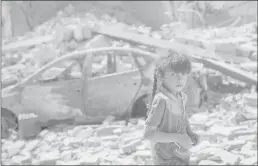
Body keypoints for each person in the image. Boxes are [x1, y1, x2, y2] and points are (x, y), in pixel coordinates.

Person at [143, 50, 200, 165]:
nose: (180, 79)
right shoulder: (161, 100)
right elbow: (148, 134)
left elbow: (182, 118)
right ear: (161, 76)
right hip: (165, 158)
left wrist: (190, 133)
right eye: (173, 74)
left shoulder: (182, 97)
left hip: (180, 154)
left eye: (183, 74)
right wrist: (178, 138)